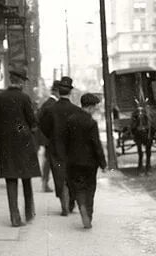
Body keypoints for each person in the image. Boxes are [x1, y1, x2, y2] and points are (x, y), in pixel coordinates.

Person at [0, 65, 41, 227]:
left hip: (7, 145)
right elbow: (32, 121)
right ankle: (29, 213)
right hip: (24, 144)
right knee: (26, 178)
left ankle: (15, 218)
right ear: (21, 82)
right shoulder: (24, 98)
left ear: (11, 80)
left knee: (11, 180)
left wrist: (3, 134)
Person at [62, 93, 107, 229]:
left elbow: (65, 141)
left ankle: (81, 204)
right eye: (95, 107)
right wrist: (103, 163)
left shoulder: (70, 120)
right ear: (91, 107)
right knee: (90, 187)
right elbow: (96, 144)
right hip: (90, 163)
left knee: (78, 187)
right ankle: (88, 213)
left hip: (73, 162)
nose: (95, 109)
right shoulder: (91, 123)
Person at [43, 75, 80, 216]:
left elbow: (44, 126)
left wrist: (52, 136)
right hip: (73, 148)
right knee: (72, 175)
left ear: (59, 91)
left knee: (59, 176)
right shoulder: (76, 110)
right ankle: (71, 202)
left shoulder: (51, 109)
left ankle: (64, 203)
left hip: (56, 147)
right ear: (70, 92)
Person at [36, 80, 60, 193]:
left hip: (47, 137)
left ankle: (45, 182)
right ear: (56, 91)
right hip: (51, 138)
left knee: (48, 160)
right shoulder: (53, 104)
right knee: (50, 160)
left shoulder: (47, 103)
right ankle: (45, 183)